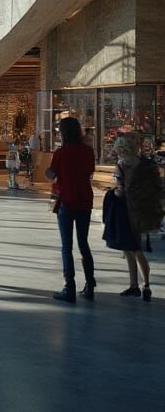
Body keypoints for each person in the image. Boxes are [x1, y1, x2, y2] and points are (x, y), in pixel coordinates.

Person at [104, 133, 160, 301]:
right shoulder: (144, 163)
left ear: (121, 148)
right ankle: (146, 285)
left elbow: (120, 191)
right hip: (142, 211)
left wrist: (112, 192)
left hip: (126, 211)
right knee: (139, 250)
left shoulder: (122, 164)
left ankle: (134, 285)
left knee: (129, 250)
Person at [45, 116, 96, 303]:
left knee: (66, 246)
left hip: (67, 200)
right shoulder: (88, 151)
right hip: (85, 200)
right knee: (83, 243)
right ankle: (90, 284)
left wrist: (51, 172)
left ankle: (70, 287)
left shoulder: (61, 153)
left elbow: (51, 173)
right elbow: (90, 171)